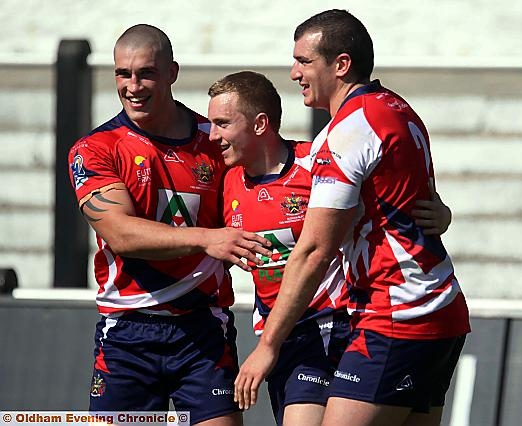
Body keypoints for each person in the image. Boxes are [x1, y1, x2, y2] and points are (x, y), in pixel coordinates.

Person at [234, 9, 470, 426]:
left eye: (304, 61)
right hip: (438, 308)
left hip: (397, 313)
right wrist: (443, 213)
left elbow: (314, 250)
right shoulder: (395, 107)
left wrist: (267, 346)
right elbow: (416, 202)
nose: (294, 73)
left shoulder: (351, 129)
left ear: (341, 64)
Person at [67, 24, 272, 425]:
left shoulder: (215, 143)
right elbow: (121, 234)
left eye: (146, 73)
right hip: (127, 332)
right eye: (123, 74)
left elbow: (267, 192)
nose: (133, 85)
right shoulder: (95, 149)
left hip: (203, 330)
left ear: (172, 73)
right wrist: (206, 240)